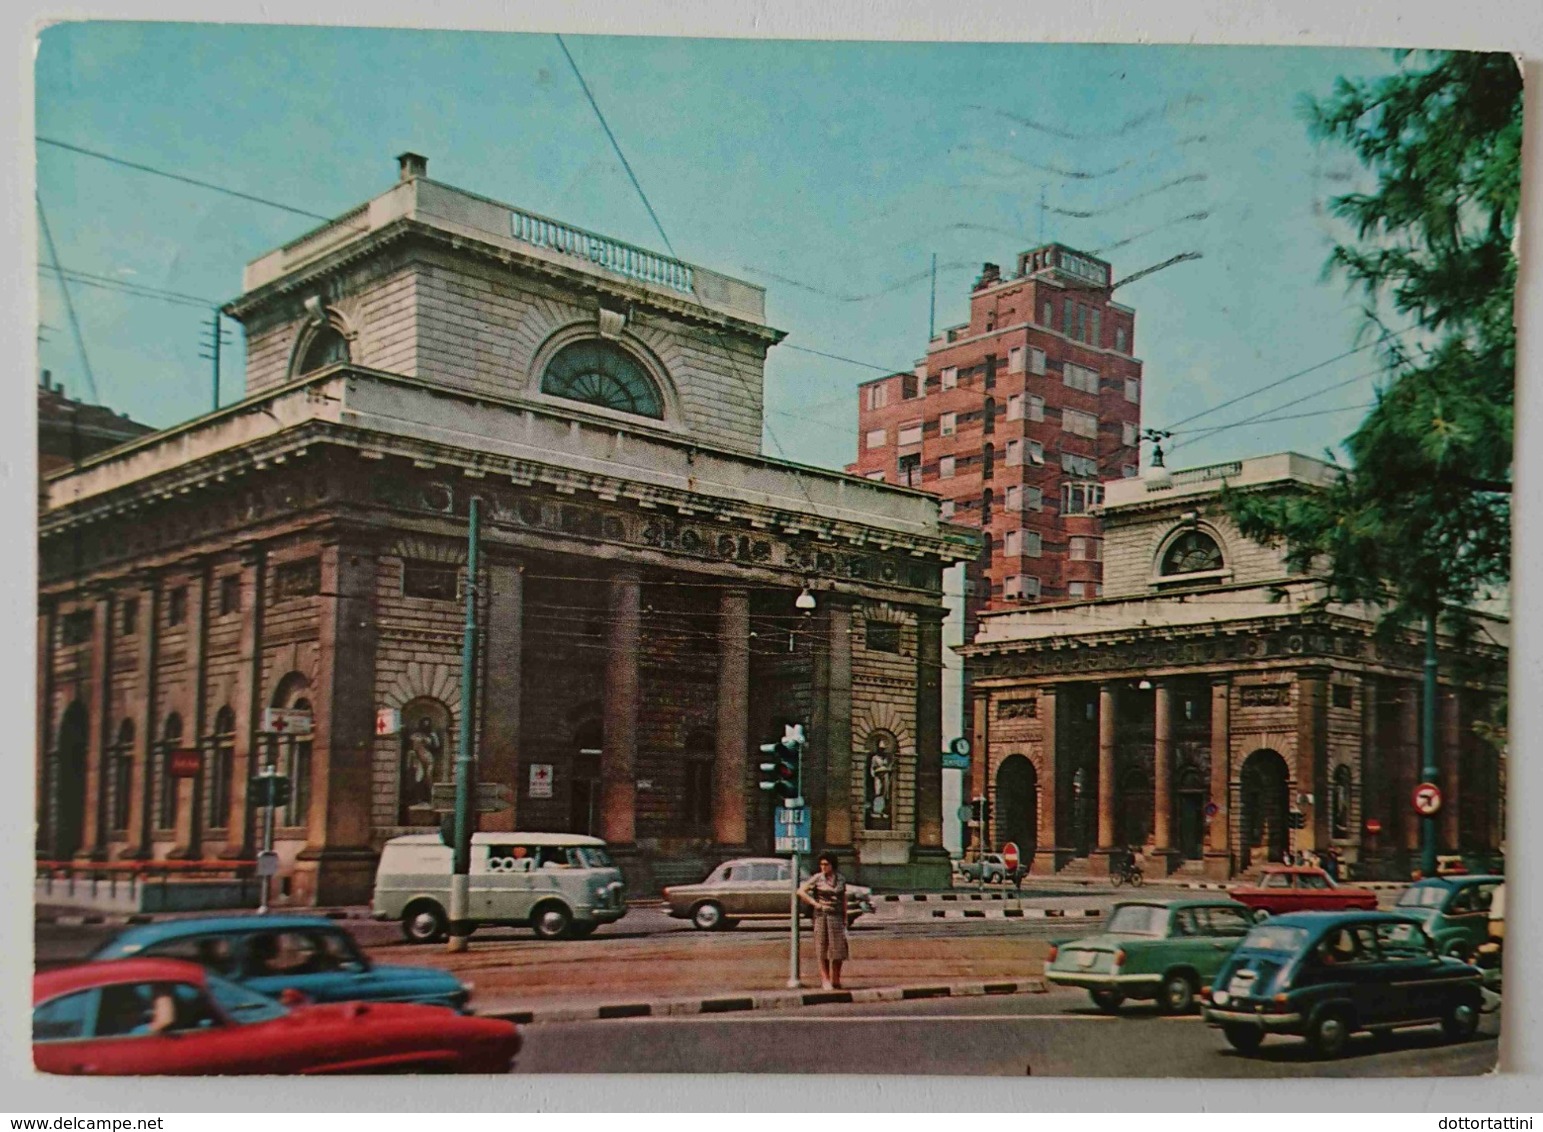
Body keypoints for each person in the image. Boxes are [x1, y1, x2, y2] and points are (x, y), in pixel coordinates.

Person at [798, 851, 849, 990]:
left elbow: (843, 899)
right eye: (821, 864)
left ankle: (836, 979)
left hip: (837, 916)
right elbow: (801, 891)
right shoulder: (817, 878)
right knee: (823, 949)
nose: (823, 867)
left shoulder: (841, 879)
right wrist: (814, 904)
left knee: (838, 949)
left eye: (826, 864)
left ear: (832, 865)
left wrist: (845, 916)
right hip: (821, 917)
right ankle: (825, 979)